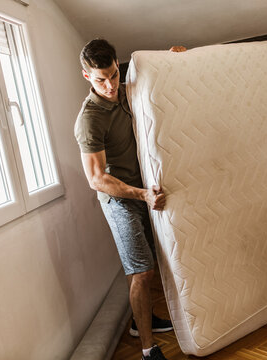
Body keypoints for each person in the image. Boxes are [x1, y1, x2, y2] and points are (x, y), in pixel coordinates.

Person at [74, 38, 186, 360]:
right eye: (100, 80)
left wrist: (173, 58)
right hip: (118, 199)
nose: (109, 86)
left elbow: (151, 74)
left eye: (113, 75)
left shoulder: (125, 90)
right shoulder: (89, 119)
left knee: (146, 263)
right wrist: (141, 195)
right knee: (142, 270)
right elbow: (96, 179)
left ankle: (140, 324)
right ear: (86, 77)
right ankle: (148, 349)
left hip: (143, 189)